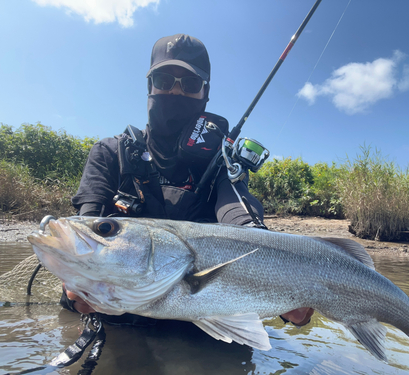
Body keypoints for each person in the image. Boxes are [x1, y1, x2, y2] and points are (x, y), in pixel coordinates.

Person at [62, 34, 314, 327]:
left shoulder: (222, 161)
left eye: (191, 84)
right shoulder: (109, 152)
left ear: (205, 93)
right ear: (150, 86)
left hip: (206, 315)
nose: (177, 92)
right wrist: (74, 282)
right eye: (165, 80)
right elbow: (85, 226)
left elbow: (239, 216)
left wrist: (279, 277)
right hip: (119, 312)